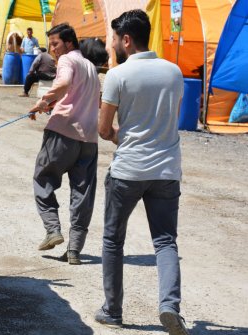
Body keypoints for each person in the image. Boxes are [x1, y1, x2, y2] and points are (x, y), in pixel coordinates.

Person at [94, 10, 189, 335]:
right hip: (166, 171)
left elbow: (104, 130)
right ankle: (169, 306)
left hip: (128, 171)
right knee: (165, 242)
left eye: (114, 40)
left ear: (127, 39)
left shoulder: (118, 76)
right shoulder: (174, 72)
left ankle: (112, 310)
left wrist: (126, 136)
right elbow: (170, 121)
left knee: (112, 240)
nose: (112, 46)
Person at [29, 23, 100, 265]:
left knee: (43, 178)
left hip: (62, 131)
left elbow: (63, 85)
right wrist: (52, 102)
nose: (53, 50)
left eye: (56, 44)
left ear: (69, 43)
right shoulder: (91, 66)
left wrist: (43, 101)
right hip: (89, 138)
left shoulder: (68, 61)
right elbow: (85, 98)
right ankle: (74, 250)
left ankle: (52, 229)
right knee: (82, 192)